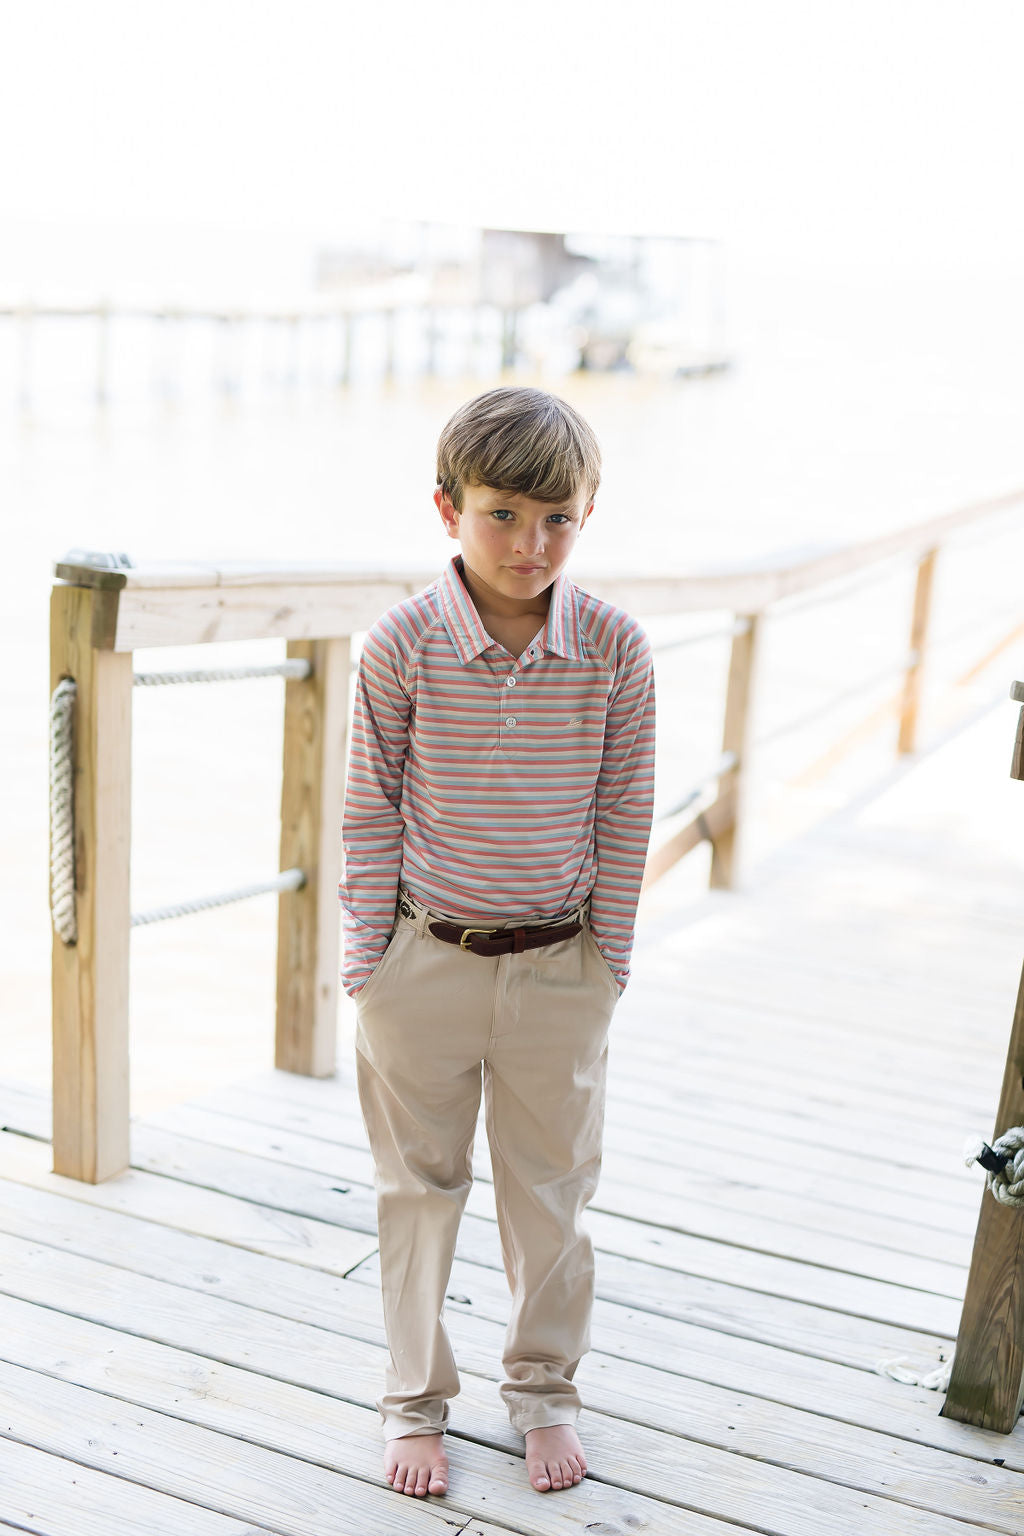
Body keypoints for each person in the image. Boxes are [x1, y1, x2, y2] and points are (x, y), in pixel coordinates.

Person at [338, 385, 656, 1500]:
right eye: (503, 515)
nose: (531, 544)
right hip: (421, 960)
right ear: (447, 509)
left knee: (552, 1195)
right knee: (416, 1190)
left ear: (587, 514)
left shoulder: (613, 647)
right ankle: (414, 1401)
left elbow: (625, 812)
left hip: (562, 964)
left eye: (558, 518)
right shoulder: (402, 643)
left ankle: (544, 1394)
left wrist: (606, 963)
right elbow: (370, 807)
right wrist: (366, 966)